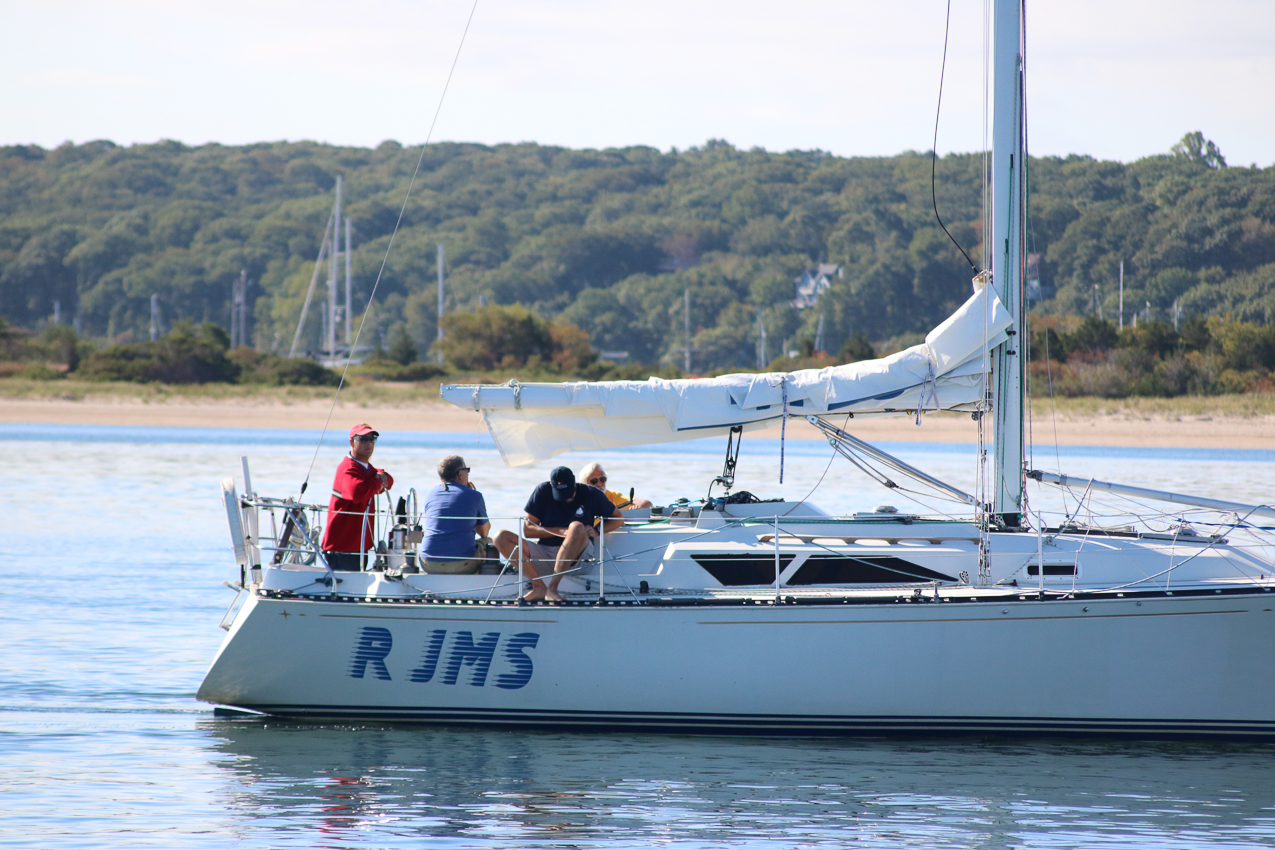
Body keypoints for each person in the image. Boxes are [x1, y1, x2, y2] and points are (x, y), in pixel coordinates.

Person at [493, 465, 623, 602]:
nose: (566, 498)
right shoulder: (543, 491)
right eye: (561, 495)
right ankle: (539, 587)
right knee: (500, 537)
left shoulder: (590, 493)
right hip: (546, 553)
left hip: (577, 559)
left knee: (576, 527)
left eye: (569, 493)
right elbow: (528, 530)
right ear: (552, 485)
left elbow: (618, 518)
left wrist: (597, 530)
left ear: (575, 483)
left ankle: (552, 588)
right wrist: (562, 532)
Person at [321, 423, 393, 571]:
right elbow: (357, 493)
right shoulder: (348, 467)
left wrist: (381, 476)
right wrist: (377, 480)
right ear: (352, 442)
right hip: (342, 547)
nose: (369, 443)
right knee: (345, 591)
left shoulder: (364, 467)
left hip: (357, 546)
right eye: (363, 439)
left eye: (372, 439)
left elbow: (388, 481)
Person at [421, 455, 491, 574]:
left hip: (428, 563)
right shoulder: (475, 496)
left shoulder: (430, 494)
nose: (468, 474)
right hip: (461, 565)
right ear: (460, 474)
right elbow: (484, 532)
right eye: (466, 470)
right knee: (489, 541)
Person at [577, 461, 653, 510]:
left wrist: (640, 505)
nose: (599, 484)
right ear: (585, 483)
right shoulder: (576, 499)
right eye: (594, 481)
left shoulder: (613, 497)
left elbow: (647, 503)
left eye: (602, 479)